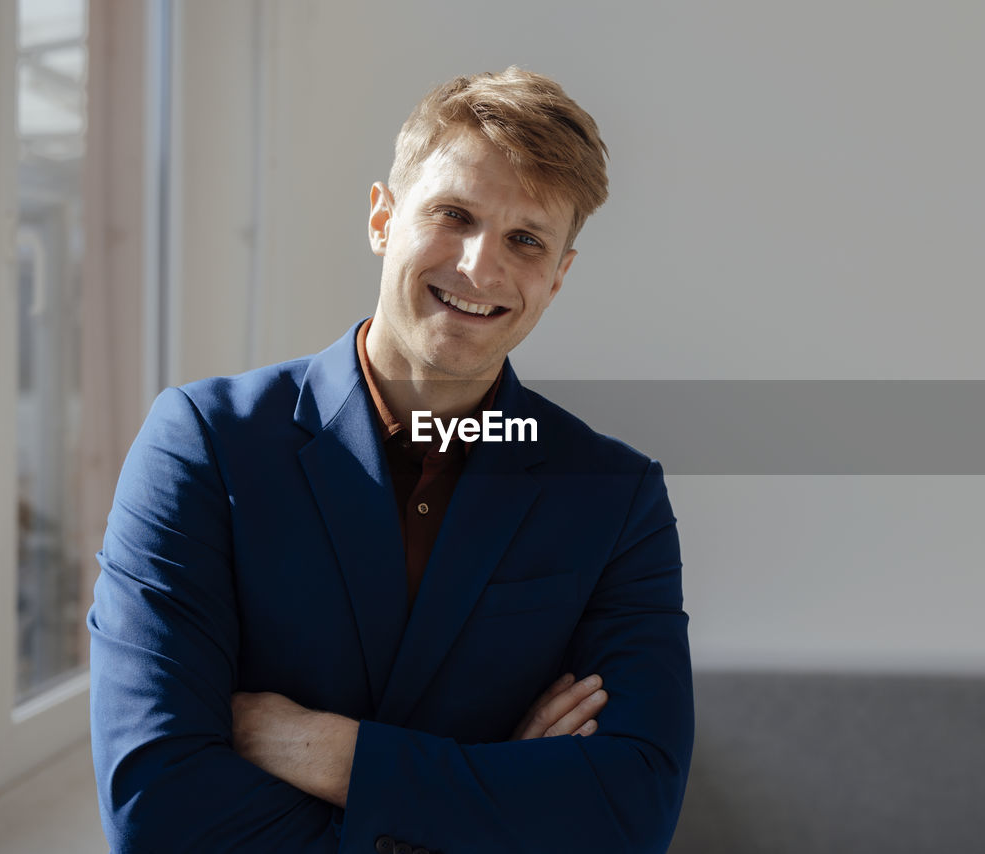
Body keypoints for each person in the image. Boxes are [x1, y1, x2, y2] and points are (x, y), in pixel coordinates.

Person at [88, 67, 693, 854]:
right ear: (382, 217)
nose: (481, 267)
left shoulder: (616, 497)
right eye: (454, 214)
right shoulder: (203, 443)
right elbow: (156, 807)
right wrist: (497, 791)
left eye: (526, 239)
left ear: (558, 277)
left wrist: (336, 753)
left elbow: (631, 812)